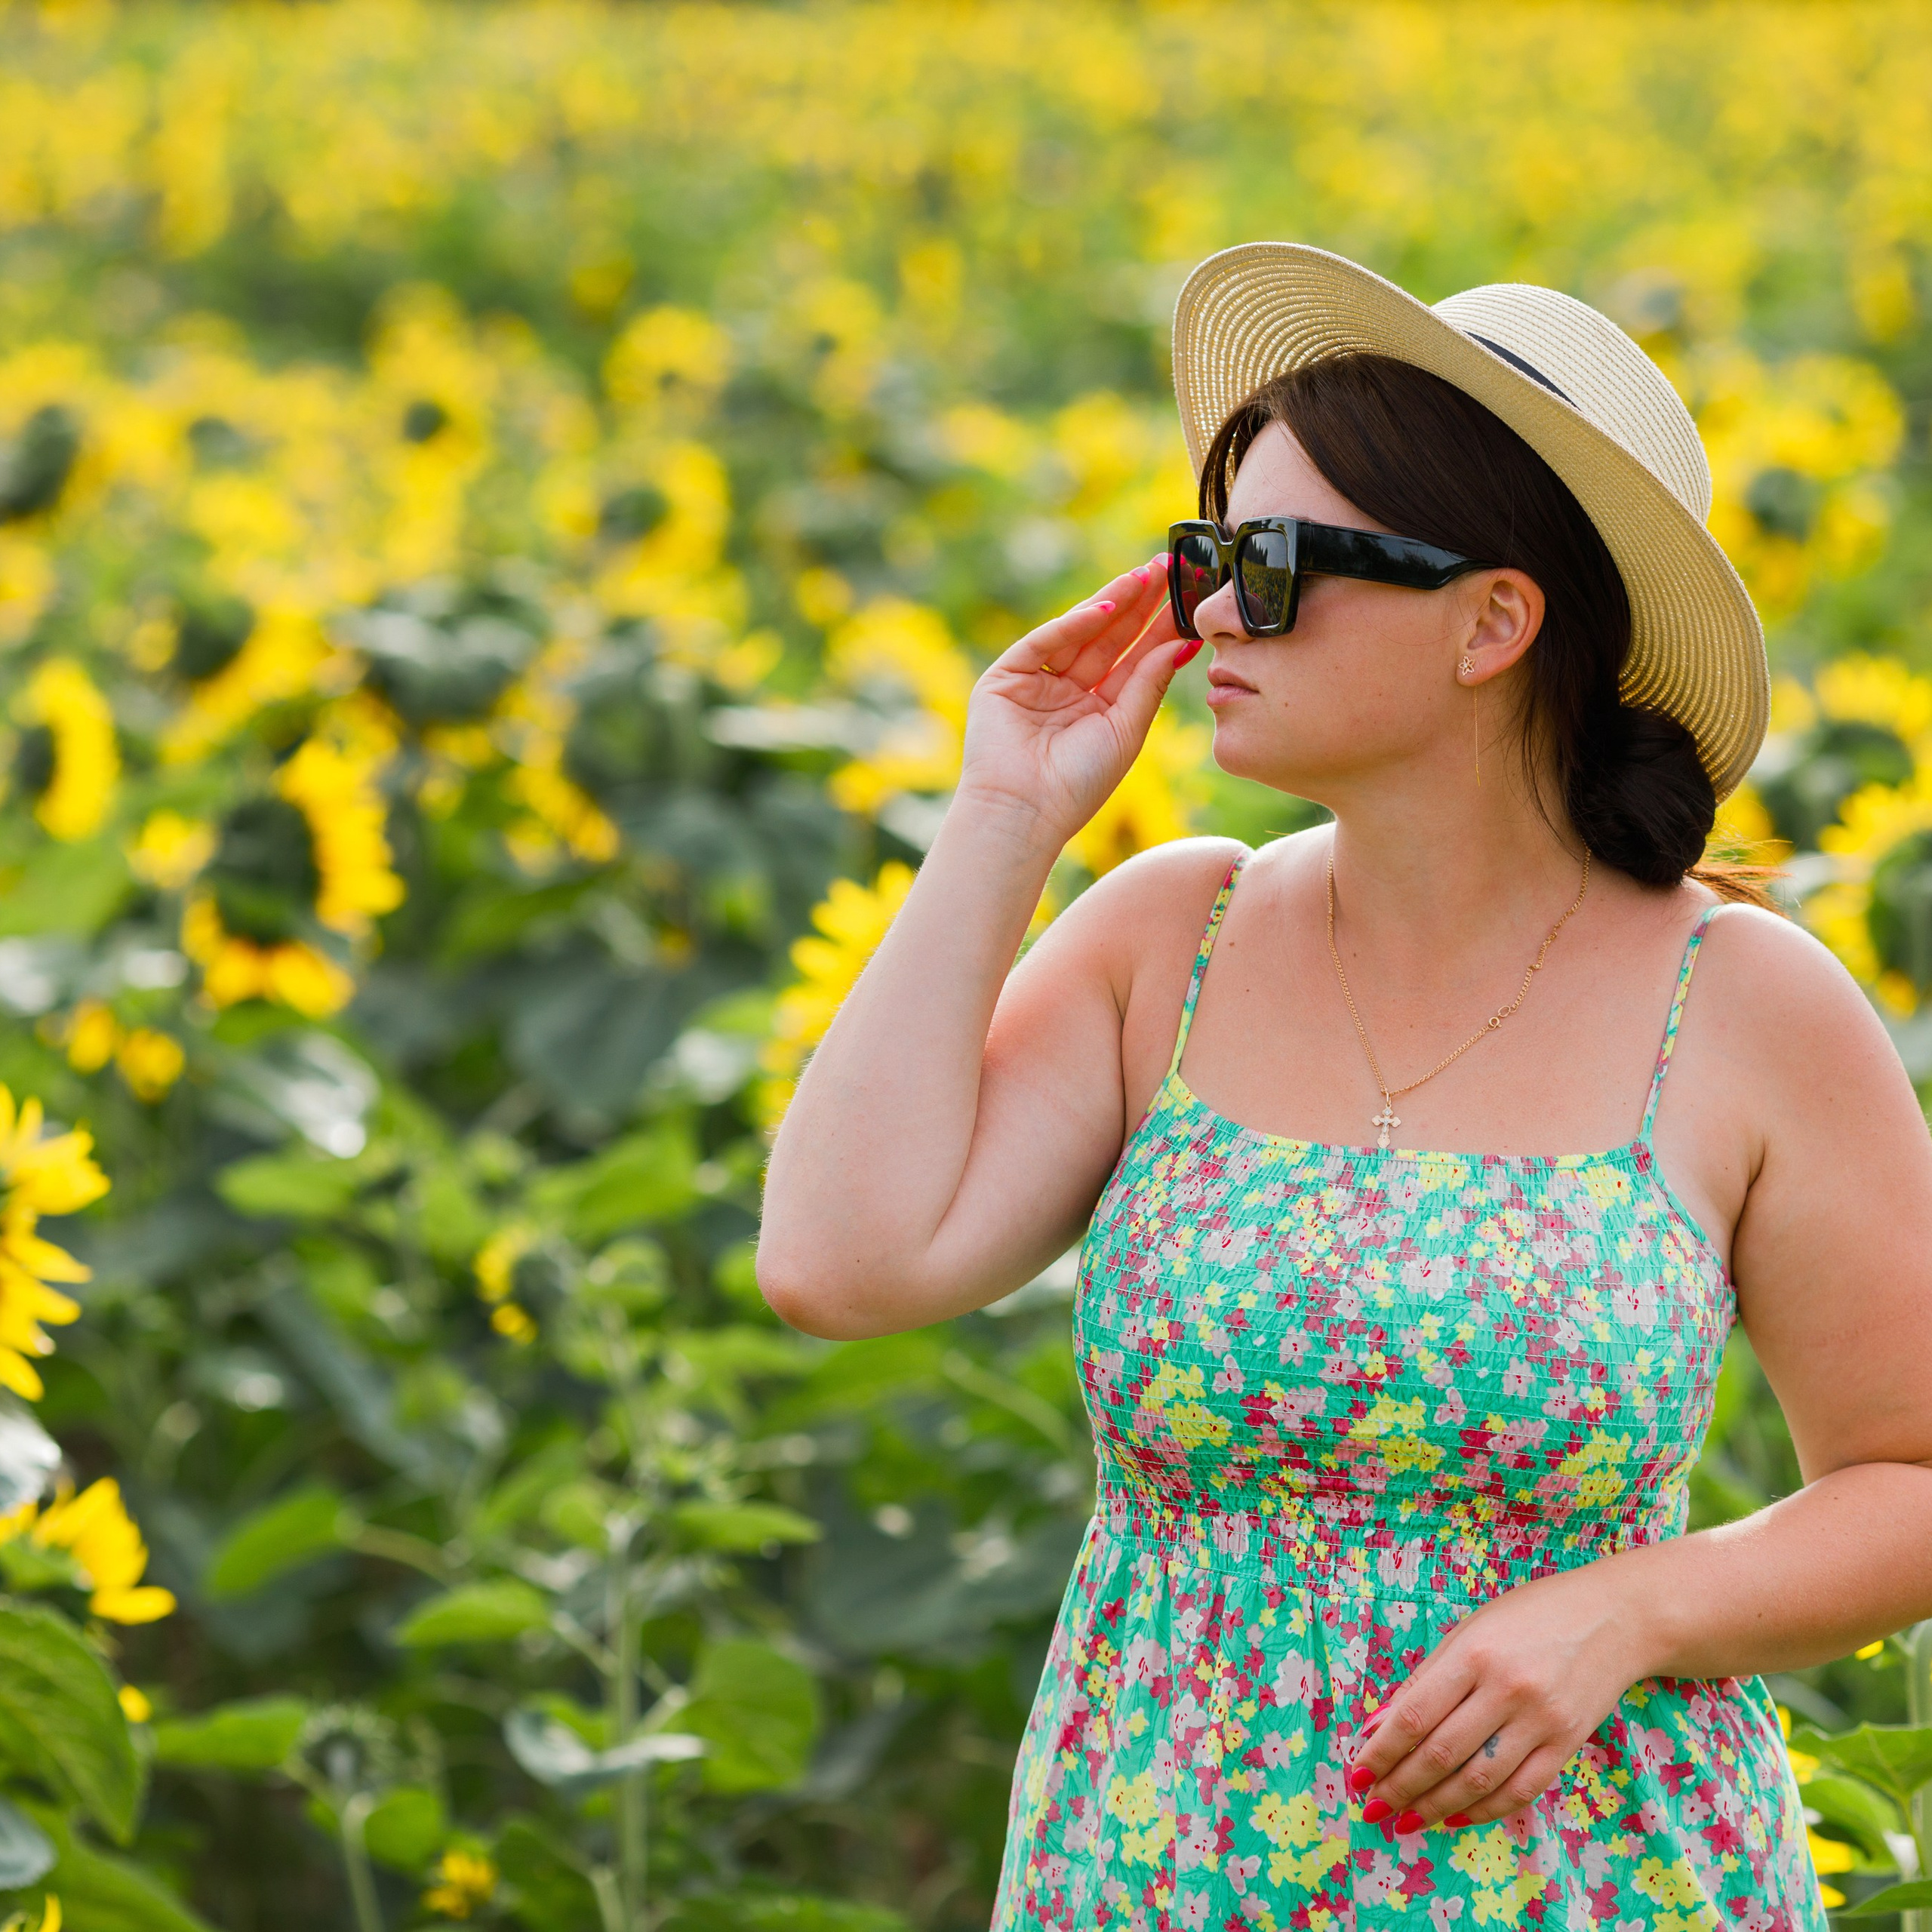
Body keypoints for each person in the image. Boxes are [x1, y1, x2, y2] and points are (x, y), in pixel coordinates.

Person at [756, 243, 1932, 1926]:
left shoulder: (1739, 1004)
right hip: (1151, 1876)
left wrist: (1629, 1612)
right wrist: (1004, 814)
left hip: (1592, 1880)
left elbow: (1907, 1477)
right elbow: (836, 1260)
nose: (1214, 610)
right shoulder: (1170, 933)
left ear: (1492, 621)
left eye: (1280, 563)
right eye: (1210, 552)